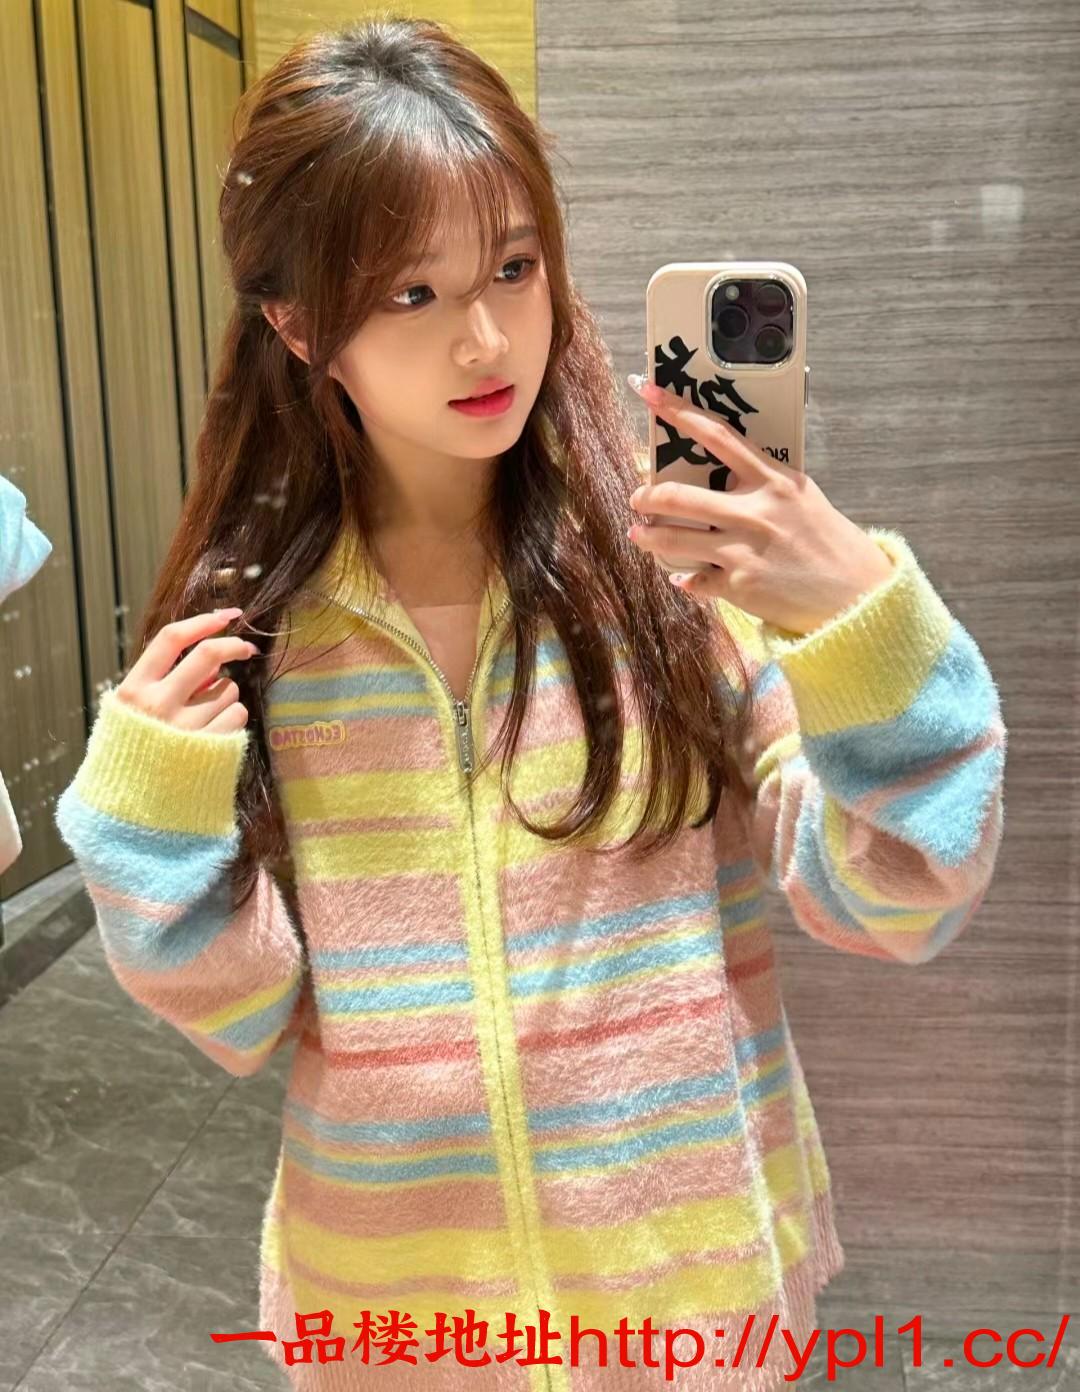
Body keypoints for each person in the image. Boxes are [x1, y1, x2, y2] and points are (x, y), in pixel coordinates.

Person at [53, 17, 1007, 1392]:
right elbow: (241, 1014)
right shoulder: (263, 633)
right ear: (299, 324)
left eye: (513, 265)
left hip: (684, 1305)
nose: (487, 337)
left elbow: (903, 894)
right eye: (411, 292)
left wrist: (860, 619)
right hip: (395, 1319)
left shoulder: (677, 576)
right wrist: (148, 817)